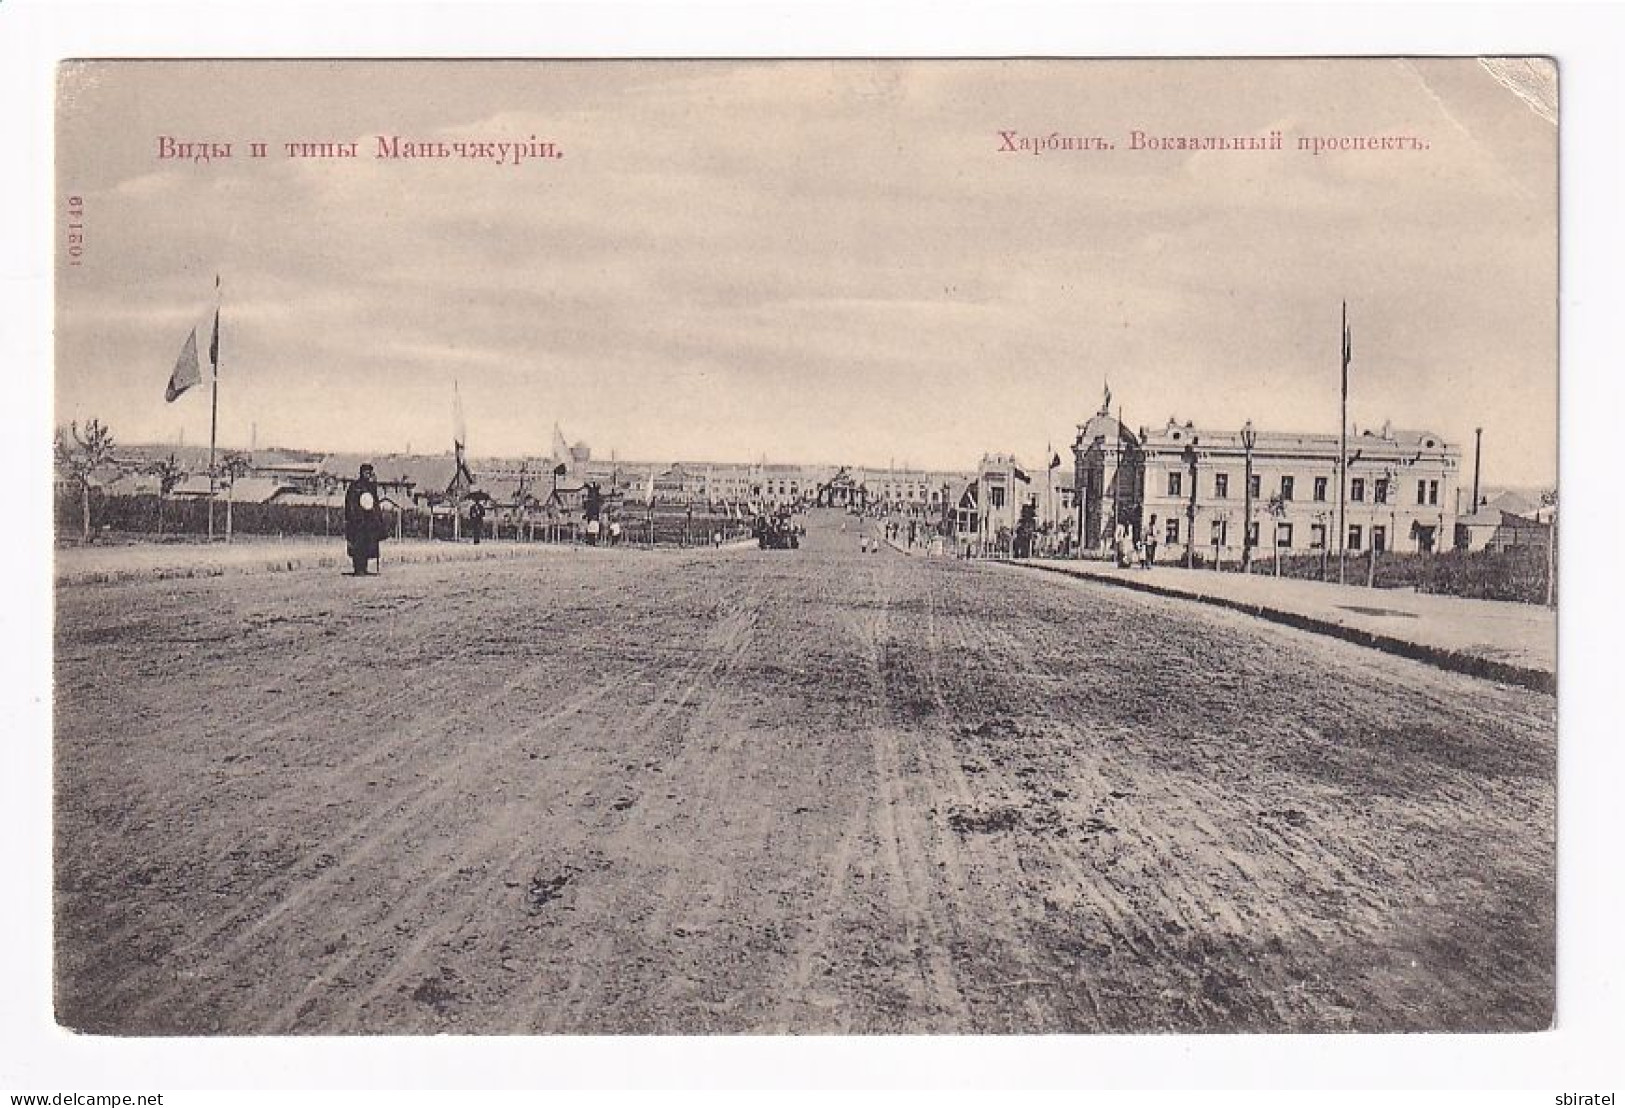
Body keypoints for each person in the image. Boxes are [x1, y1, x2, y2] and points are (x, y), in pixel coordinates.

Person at [343, 464, 388, 575]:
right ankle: (358, 568)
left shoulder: (371, 487)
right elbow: (350, 504)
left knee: (367, 545)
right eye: (366, 473)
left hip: (369, 522)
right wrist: (354, 518)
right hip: (358, 523)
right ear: (361, 473)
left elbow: (375, 504)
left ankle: (364, 567)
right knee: (358, 546)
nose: (368, 475)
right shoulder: (355, 486)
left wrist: (378, 519)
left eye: (369, 473)